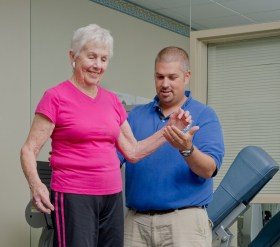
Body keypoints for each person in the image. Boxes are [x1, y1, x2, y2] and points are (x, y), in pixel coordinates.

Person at [20, 25, 191, 247]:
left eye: (104, 59)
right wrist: (36, 185)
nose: (98, 65)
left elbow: (133, 151)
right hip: (74, 194)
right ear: (73, 56)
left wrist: (170, 128)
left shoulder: (111, 101)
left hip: (111, 196)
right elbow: (29, 149)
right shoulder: (55, 97)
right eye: (92, 57)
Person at [120, 46, 225, 247]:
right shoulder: (135, 116)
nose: (165, 84)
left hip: (184, 224)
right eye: (159, 77)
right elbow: (113, 159)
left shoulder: (204, 115)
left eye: (172, 77)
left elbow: (209, 169)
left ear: (186, 76)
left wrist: (187, 148)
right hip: (136, 223)